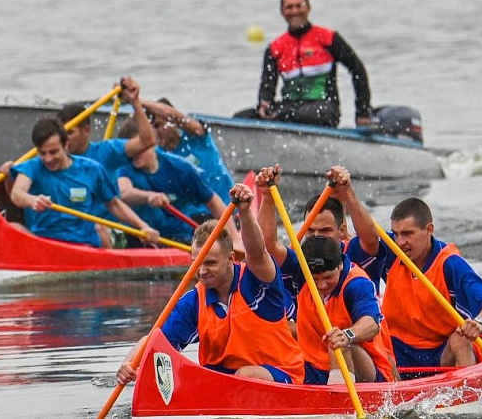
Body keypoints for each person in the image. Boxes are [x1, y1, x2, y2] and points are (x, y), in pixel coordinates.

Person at [116, 183, 305, 385]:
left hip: (281, 375)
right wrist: (130, 365)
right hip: (222, 383)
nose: (202, 271)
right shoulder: (193, 302)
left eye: (211, 263)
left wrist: (245, 212)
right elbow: (154, 341)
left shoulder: (256, 281)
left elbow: (257, 252)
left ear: (231, 259)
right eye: (197, 263)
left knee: (246, 375)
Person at [376, 197, 482, 373]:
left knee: (461, 338)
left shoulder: (450, 264)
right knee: (365, 335)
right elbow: (363, 234)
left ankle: (469, 393)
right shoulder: (392, 249)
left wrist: (478, 323)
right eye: (396, 234)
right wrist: (346, 194)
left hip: (441, 354)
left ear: (429, 230)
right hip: (397, 351)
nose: (399, 242)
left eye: (407, 234)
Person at [7, 117, 159, 248]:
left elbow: (113, 204)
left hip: (83, 244)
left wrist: (142, 226)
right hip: (45, 242)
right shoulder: (32, 167)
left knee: (100, 229)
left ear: (66, 145)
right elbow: (17, 194)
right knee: (13, 227)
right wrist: (32, 200)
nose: (48, 159)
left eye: (53, 152)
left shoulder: (91, 169)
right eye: (43, 153)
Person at [236, 0, 373, 128]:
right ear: (282, 11)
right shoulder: (275, 48)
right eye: (289, 7)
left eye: (299, 6)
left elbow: (358, 70)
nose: (295, 11)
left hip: (324, 109)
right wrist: (264, 104)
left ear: (308, 8)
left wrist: (362, 112)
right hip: (289, 108)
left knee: (294, 114)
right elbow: (267, 85)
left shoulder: (328, 38)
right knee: (241, 118)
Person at [256, 164, 384, 301]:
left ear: (341, 230)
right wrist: (267, 195)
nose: (316, 236)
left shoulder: (354, 251)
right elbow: (266, 247)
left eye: (325, 230)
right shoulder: (300, 260)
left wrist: (348, 191)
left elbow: (370, 239)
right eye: (310, 230)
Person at [115, 117, 242, 247]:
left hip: (177, 237)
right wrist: (148, 196)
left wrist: (235, 241)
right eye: (129, 149)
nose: (133, 154)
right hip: (140, 234)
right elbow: (124, 192)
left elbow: (214, 202)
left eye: (138, 147)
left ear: (152, 143)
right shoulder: (124, 165)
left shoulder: (180, 168)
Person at [297, 236, 396, 384]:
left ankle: (338, 402)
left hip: (366, 373)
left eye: (328, 277)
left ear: (340, 265)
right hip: (316, 368)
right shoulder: (300, 274)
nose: (322, 285)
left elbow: (371, 324)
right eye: (315, 279)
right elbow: (269, 248)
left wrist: (347, 335)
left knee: (338, 344)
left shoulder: (356, 285)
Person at [56, 77, 156, 185]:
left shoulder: (106, 152)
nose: (64, 139)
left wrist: (135, 101)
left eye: (70, 133)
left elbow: (147, 141)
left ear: (86, 130)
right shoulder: (51, 159)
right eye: (61, 134)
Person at [142, 97, 234, 207]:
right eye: (151, 128)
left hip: (227, 209)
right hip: (191, 218)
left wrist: (137, 100)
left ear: (172, 123)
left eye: (158, 125)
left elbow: (174, 115)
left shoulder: (196, 137)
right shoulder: (158, 155)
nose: (155, 133)